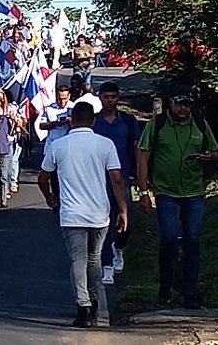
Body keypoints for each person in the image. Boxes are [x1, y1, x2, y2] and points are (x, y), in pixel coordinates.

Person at [36, 102, 129, 328]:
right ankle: (95, 298)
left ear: (72, 120)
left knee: (78, 259)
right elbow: (116, 178)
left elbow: (43, 177)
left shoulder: (59, 145)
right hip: (99, 212)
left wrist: (49, 197)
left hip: (72, 213)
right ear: (93, 121)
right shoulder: (105, 145)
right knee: (94, 258)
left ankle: (83, 305)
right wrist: (123, 210)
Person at [137, 85, 218, 309]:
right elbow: (143, 156)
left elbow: (213, 151)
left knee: (192, 240)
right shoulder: (158, 124)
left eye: (187, 104)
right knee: (170, 238)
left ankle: (189, 290)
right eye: (179, 104)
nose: (183, 109)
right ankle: (165, 284)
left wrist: (207, 158)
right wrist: (144, 192)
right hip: (166, 192)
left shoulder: (199, 124)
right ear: (170, 103)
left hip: (194, 192)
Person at [93, 82, 141, 285]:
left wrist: (141, 175)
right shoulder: (94, 122)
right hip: (98, 180)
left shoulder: (128, 121)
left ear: (118, 97)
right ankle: (107, 265)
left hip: (122, 179)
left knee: (125, 221)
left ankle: (119, 248)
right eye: (106, 97)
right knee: (103, 224)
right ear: (100, 97)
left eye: (113, 96)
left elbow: (137, 148)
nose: (109, 100)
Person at [38, 85, 74, 209]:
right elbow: (41, 125)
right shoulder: (49, 109)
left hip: (69, 147)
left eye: (65, 98)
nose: (62, 102)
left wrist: (70, 121)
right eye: (60, 99)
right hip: (53, 146)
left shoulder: (73, 107)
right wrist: (55, 123)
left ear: (69, 96)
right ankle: (57, 202)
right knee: (53, 176)